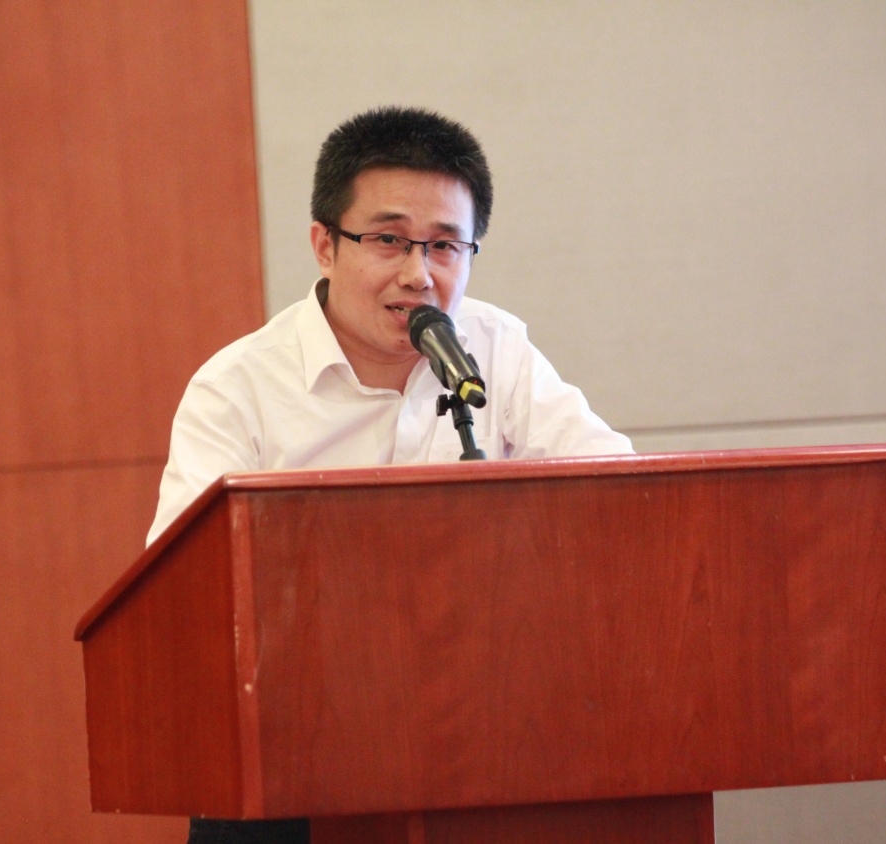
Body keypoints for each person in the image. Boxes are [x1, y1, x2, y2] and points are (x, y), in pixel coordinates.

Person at [157, 106, 634, 844]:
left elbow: (621, 504)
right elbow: (181, 593)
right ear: (325, 244)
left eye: (445, 246)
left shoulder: (495, 351)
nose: (419, 274)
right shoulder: (237, 389)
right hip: (293, 753)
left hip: (488, 734)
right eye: (388, 240)